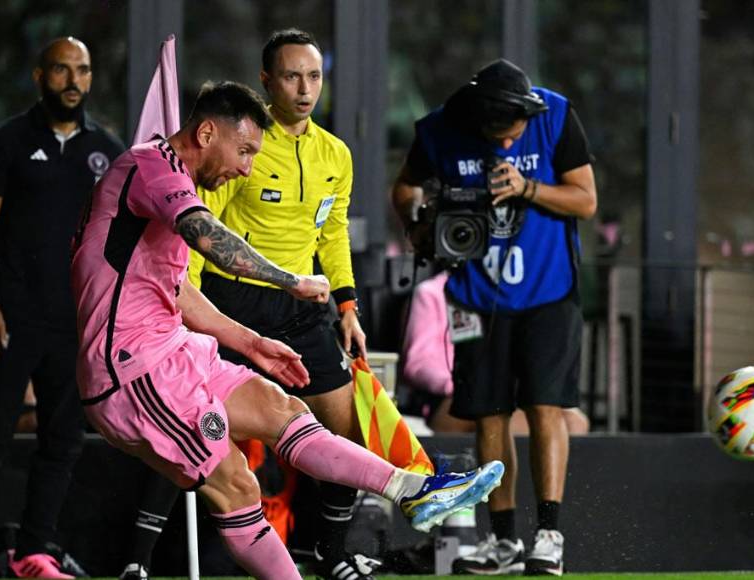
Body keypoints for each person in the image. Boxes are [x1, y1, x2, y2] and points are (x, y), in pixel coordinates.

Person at [71, 80, 503, 580]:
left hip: (176, 351)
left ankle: (413, 489)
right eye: (246, 150)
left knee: (285, 410)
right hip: (130, 370)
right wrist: (290, 280)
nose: (247, 167)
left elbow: (177, 292)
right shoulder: (151, 168)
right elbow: (207, 238)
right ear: (207, 132)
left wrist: (251, 343)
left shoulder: (168, 180)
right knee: (237, 486)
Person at [392, 59, 597, 576]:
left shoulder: (555, 115)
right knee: (488, 413)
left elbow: (586, 200)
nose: (511, 142)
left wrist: (527, 187)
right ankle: (503, 542)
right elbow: (405, 188)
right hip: (474, 295)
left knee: (546, 405)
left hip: (549, 290)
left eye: (518, 130)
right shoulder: (440, 129)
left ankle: (548, 534)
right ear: (479, 122)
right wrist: (419, 226)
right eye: (502, 133)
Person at [185, 29, 373, 579]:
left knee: (344, 434)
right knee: (190, 427)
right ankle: (139, 558)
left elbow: (332, 233)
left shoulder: (335, 153)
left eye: (314, 76)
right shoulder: (244, 142)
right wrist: (186, 304)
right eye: (292, 75)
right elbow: (202, 224)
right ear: (267, 81)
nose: (305, 87)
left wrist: (347, 306)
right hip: (231, 301)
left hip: (303, 308)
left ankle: (330, 554)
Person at [0, 37, 125, 579]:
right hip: (12, 316)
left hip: (75, 322)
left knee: (63, 442)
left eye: (83, 70)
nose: (73, 80)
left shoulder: (108, 149)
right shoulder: (5, 141)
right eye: (61, 70)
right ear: (39, 75)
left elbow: (121, 238)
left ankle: (35, 552)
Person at [402, 271, 590, 434]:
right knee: (522, 421)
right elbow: (417, 363)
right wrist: (459, 383)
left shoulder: (508, 297)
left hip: (502, 393)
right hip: (448, 398)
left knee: (575, 422)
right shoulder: (430, 292)